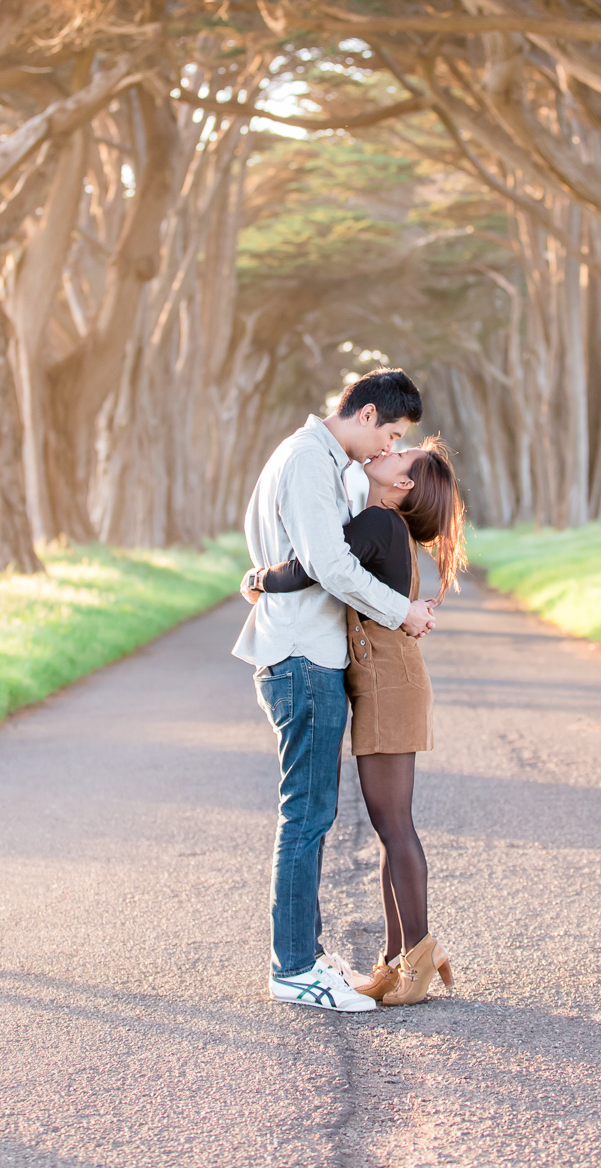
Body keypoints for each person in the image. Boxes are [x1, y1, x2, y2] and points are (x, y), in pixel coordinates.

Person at [233, 368, 436, 1012]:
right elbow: (329, 563)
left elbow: (314, 557)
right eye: (393, 434)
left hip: (308, 653)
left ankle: (304, 955)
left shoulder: (322, 461)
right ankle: (293, 969)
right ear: (368, 413)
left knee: (312, 812)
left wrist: (263, 576)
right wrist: (400, 610)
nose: (388, 449)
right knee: (307, 814)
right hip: (301, 656)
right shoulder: (306, 460)